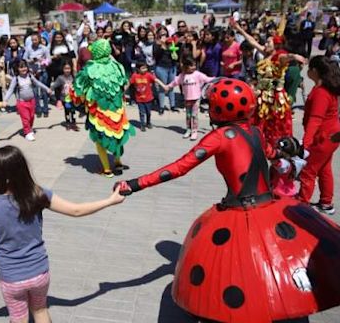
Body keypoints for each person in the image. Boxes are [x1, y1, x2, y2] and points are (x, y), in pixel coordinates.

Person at [115, 79, 340, 323]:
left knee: (239, 270)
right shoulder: (255, 131)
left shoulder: (219, 137)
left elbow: (179, 168)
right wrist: (289, 150)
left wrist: (135, 184)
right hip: (272, 206)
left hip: (239, 212)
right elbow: (274, 154)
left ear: (215, 108)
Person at [0, 145, 125, 323]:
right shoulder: (38, 194)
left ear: (4, 177)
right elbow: (76, 210)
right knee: (40, 310)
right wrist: (110, 200)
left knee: (18, 317)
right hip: (39, 273)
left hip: (12, 278)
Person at [73, 39, 135, 177]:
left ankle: (107, 169)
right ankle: (118, 162)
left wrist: (75, 98)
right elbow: (123, 84)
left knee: (100, 138)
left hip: (98, 112)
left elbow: (78, 88)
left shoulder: (89, 69)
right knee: (117, 134)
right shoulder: (117, 66)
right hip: (117, 109)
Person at [298, 56, 340, 214]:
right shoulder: (327, 89)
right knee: (324, 169)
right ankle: (326, 202)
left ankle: (302, 205)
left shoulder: (321, 93)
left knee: (308, 170)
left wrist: (306, 143)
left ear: (314, 71)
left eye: (309, 69)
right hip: (331, 136)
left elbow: (315, 120)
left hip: (323, 137)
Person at [167, 58, 215, 140]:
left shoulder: (197, 74)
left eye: (194, 65)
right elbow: (175, 82)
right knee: (188, 116)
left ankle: (194, 131)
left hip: (196, 99)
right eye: (191, 65)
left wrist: (218, 78)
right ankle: (188, 129)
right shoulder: (182, 75)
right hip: (187, 99)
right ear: (185, 67)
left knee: (194, 115)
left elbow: (207, 79)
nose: (194, 67)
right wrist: (168, 86)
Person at [4, 61, 52, 141]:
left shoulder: (30, 76)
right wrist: (5, 100)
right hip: (22, 102)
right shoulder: (16, 79)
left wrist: (47, 89)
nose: (24, 69)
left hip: (32, 101)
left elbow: (38, 83)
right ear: (17, 69)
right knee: (25, 118)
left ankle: (29, 129)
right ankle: (27, 133)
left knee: (31, 117)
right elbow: (10, 90)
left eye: (25, 66)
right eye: (21, 67)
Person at [128, 60, 168, 131]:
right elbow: (129, 83)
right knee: (142, 112)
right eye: (143, 68)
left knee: (148, 112)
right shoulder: (135, 76)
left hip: (148, 98)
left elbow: (156, 80)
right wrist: (123, 91)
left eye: (146, 68)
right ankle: (142, 125)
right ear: (138, 69)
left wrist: (164, 86)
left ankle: (148, 122)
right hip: (139, 99)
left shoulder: (148, 75)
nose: (145, 69)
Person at [153, 29, 178, 114]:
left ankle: (173, 105)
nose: (163, 33)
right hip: (161, 67)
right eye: (161, 32)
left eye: (164, 32)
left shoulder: (171, 41)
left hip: (171, 67)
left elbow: (175, 54)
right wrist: (162, 45)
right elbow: (156, 55)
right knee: (162, 88)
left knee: (171, 86)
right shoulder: (156, 43)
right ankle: (161, 106)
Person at [50, 61, 78, 131]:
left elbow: (77, 85)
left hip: (73, 98)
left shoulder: (73, 77)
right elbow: (55, 85)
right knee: (68, 111)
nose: (67, 70)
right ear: (63, 69)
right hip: (65, 99)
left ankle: (73, 123)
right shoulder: (60, 78)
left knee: (73, 111)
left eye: (68, 68)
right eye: (65, 69)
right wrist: (50, 89)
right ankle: (68, 123)